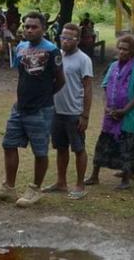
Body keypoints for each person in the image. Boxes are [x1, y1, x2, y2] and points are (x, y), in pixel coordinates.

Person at [0, 12, 65, 206]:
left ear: (43, 29)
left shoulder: (52, 50)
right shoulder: (20, 48)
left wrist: (44, 96)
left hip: (41, 110)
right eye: (27, 26)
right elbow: (22, 76)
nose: (29, 30)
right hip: (19, 108)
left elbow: (60, 80)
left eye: (34, 27)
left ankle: (35, 189)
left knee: (40, 152)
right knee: (9, 144)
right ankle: (8, 188)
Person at [86, 35, 134, 190]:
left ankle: (125, 179)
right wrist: (106, 106)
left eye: (125, 49)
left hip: (128, 116)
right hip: (111, 114)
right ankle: (94, 175)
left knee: (126, 147)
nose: (121, 52)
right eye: (120, 48)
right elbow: (105, 86)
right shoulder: (113, 66)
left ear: (132, 51)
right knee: (103, 144)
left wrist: (124, 111)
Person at [47, 23, 93, 199]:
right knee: (60, 148)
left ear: (78, 40)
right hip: (56, 110)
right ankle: (61, 182)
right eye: (63, 37)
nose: (65, 41)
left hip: (74, 112)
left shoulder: (83, 60)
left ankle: (80, 185)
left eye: (70, 38)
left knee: (79, 149)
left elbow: (88, 89)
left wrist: (85, 115)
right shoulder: (57, 56)